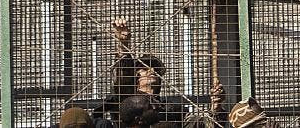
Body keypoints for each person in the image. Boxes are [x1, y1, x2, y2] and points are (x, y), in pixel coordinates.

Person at [93, 19, 225, 127]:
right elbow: (123, 74)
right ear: (136, 78)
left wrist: (216, 107)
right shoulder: (127, 99)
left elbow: (202, 125)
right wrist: (123, 44)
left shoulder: (170, 109)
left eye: (155, 70)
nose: (152, 71)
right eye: (145, 69)